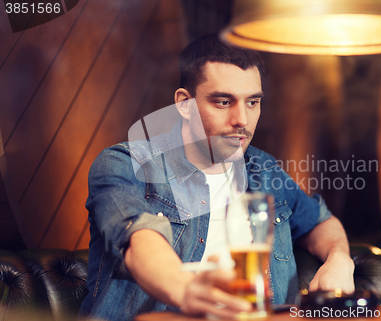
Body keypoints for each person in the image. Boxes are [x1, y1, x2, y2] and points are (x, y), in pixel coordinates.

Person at [79, 34, 354, 321]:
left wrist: (339, 259)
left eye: (252, 103)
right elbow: (138, 240)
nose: (242, 120)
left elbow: (320, 221)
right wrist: (186, 289)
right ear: (184, 104)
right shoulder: (124, 164)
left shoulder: (264, 170)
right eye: (224, 102)